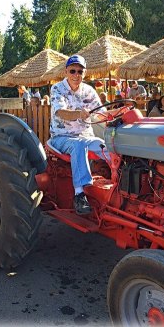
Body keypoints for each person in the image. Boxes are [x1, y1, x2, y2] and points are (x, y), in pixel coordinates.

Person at [49, 54, 108, 216]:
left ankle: (120, 188)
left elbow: (102, 114)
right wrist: (79, 114)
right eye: (73, 71)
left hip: (86, 136)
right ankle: (79, 194)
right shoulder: (57, 89)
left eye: (80, 72)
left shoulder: (89, 91)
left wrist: (117, 113)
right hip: (62, 138)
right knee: (79, 144)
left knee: (108, 147)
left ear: (84, 73)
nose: (76, 75)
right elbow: (61, 112)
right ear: (66, 71)